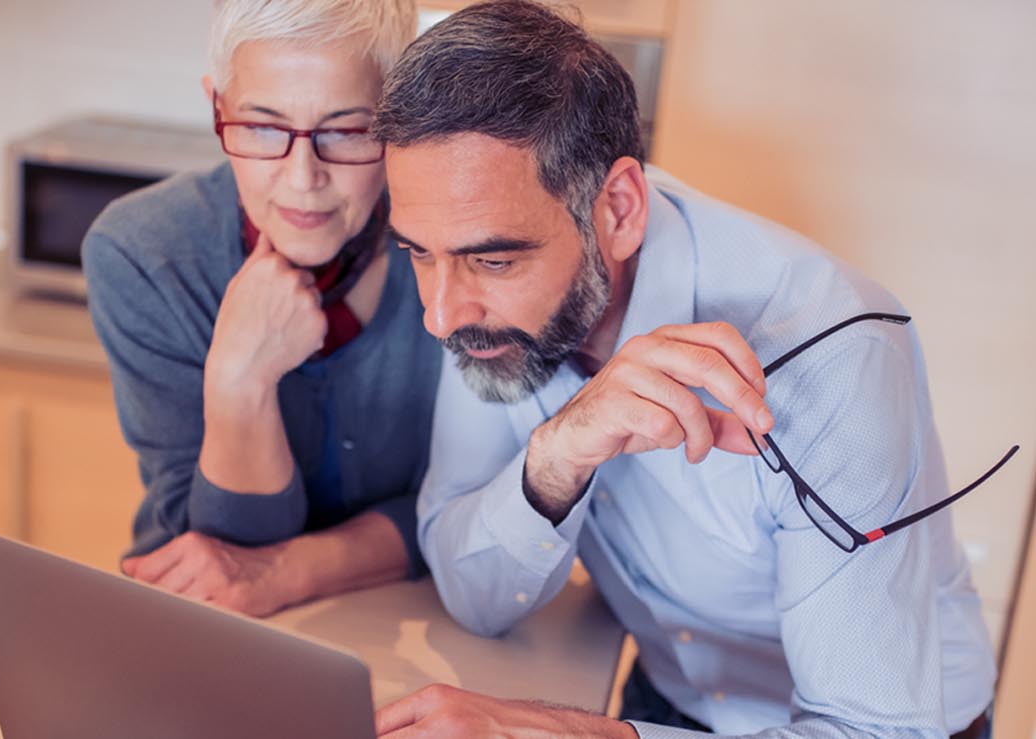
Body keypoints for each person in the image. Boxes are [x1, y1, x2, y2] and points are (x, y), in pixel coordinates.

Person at [370, 2, 1005, 737]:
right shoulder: (484, 306)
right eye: (417, 251)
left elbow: (871, 729)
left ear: (618, 208)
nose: (440, 315)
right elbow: (470, 590)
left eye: (495, 258)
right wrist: (555, 455)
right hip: (663, 697)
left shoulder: (832, 352)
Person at [82, 0, 440, 619]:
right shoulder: (143, 251)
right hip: (210, 626)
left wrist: (292, 571)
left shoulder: (452, 247)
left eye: (349, 131)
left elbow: (467, 506)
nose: (303, 179)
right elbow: (216, 554)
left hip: (418, 624)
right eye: (263, 127)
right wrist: (239, 379)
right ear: (217, 108)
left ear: (399, 122)